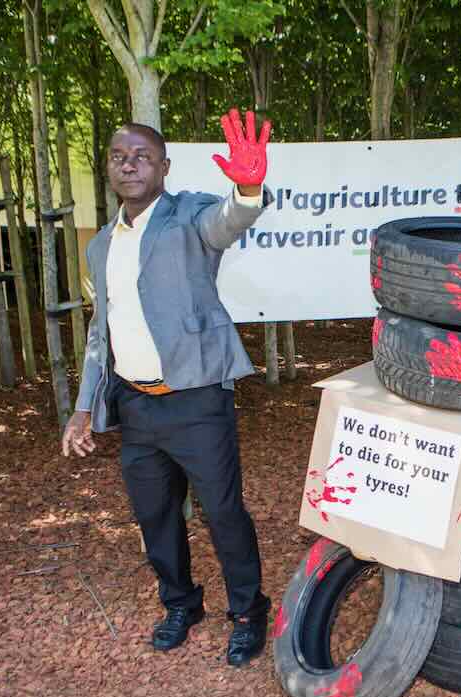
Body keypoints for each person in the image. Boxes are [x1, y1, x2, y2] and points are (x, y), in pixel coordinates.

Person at [61, 109, 275, 667]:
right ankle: (181, 603)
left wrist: (248, 187)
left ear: (163, 167)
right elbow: (98, 332)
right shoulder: (101, 244)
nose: (129, 165)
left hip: (198, 399)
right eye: (118, 156)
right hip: (136, 405)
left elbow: (229, 221)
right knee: (155, 515)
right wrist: (84, 407)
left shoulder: (188, 215)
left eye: (142, 157)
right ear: (107, 167)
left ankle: (250, 611)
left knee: (223, 512)